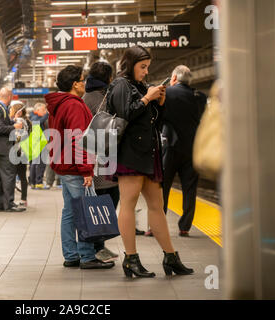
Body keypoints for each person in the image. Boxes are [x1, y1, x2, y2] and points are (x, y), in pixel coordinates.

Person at [107, 46, 193, 278]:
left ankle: (171, 257)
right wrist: (147, 98)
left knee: (157, 206)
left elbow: (153, 121)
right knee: (128, 203)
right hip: (129, 153)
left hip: (147, 152)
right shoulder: (120, 85)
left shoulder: (140, 86)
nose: (146, 72)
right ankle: (131, 259)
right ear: (130, 64)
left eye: (148, 67)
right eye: (142, 67)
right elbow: (126, 113)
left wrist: (160, 103)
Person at [45, 65, 114, 270]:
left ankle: (71, 254)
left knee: (69, 212)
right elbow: (78, 139)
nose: (85, 83)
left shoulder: (59, 104)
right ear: (75, 84)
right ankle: (86, 256)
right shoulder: (73, 105)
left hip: (65, 165)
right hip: (75, 167)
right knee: (84, 210)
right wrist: (86, 169)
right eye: (82, 80)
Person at [162, 65, 207, 237]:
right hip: (192, 149)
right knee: (190, 189)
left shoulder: (167, 93)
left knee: (163, 187)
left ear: (174, 78)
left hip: (170, 147)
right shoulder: (200, 97)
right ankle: (185, 227)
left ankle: (157, 224)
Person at [82, 61, 119, 263]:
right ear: (108, 78)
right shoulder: (102, 98)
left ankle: (100, 245)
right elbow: (109, 127)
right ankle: (98, 246)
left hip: (94, 156)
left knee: (102, 202)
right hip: (101, 158)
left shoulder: (86, 96)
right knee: (105, 202)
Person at [0, 87, 25, 212]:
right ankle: (8, 204)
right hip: (3, 148)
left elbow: (1, 126)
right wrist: (14, 126)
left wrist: (11, 123)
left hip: (1, 148)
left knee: (0, 177)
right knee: (9, 176)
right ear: (9, 96)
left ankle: (1, 205)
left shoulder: (1, 108)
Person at [9, 102, 32, 207]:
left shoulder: (18, 121)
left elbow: (15, 137)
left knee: (12, 175)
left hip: (16, 151)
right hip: (24, 152)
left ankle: (11, 199)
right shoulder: (28, 122)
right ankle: (24, 199)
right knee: (23, 176)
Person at [28, 102, 48, 189]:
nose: (45, 112)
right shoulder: (34, 117)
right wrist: (47, 114)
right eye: (43, 110)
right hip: (38, 143)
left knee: (35, 163)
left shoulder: (34, 116)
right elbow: (38, 122)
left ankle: (33, 182)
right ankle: (38, 182)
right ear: (37, 110)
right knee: (39, 163)